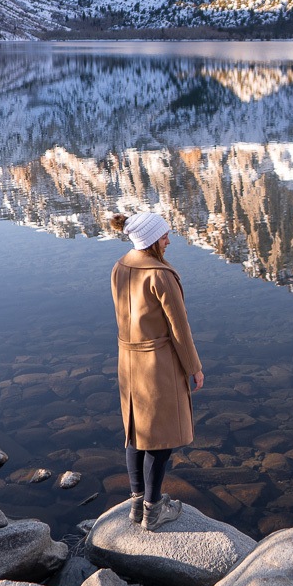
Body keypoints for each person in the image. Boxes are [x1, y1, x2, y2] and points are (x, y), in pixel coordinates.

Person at [110, 211, 204, 531]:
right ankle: (153, 509)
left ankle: (137, 503)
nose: (169, 240)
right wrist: (194, 367)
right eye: (164, 236)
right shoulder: (160, 275)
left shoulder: (121, 266)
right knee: (161, 440)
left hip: (128, 360)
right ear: (151, 241)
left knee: (135, 432)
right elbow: (180, 329)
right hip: (156, 364)